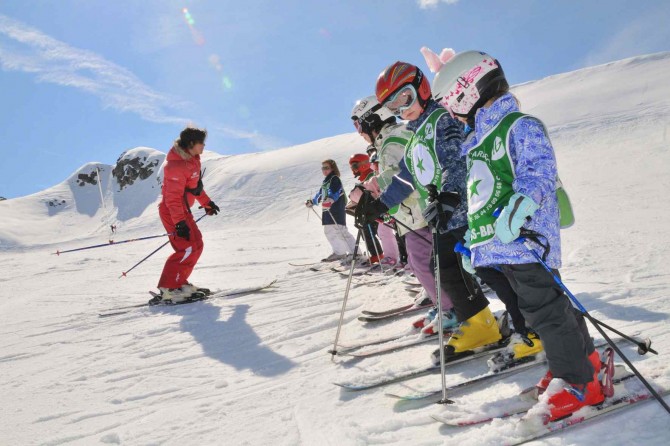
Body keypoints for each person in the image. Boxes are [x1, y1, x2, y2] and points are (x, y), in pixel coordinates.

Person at [432, 50, 602, 420]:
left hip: (527, 241)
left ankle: (580, 383)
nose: (450, 112)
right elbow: (480, 197)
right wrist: (472, 244)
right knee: (542, 309)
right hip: (500, 247)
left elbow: (538, 173)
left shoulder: (518, 125)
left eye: (450, 102)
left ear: (469, 91)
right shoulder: (477, 140)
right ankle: (583, 363)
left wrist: (519, 209)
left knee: (548, 311)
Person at [358, 62, 504, 357]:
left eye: (406, 98)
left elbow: (455, 160)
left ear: (422, 88)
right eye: (393, 106)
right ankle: (480, 324)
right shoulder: (416, 134)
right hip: (441, 216)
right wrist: (380, 204)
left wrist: (449, 195)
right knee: (446, 271)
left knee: (492, 270)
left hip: (463, 212)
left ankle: (532, 323)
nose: (403, 109)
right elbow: (406, 176)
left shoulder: (440, 120)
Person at [350, 95, 454, 334]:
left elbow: (402, 175)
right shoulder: (393, 138)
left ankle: (451, 309)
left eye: (359, 124)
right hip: (413, 213)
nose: (359, 132)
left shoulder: (393, 140)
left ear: (371, 119)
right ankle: (444, 306)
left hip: (417, 212)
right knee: (423, 263)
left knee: (422, 263)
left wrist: (369, 190)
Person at [157, 127, 219, 303]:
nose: (204, 146)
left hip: (183, 210)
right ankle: (169, 287)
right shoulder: (175, 166)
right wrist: (179, 223)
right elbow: (172, 198)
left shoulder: (193, 161)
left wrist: (207, 204)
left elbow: (195, 188)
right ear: (191, 144)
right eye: (201, 143)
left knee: (197, 245)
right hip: (173, 211)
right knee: (187, 248)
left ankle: (179, 282)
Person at [306, 159, 356, 261]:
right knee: (329, 231)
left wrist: (330, 199)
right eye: (323, 168)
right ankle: (340, 252)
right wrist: (313, 201)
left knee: (341, 231)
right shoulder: (326, 182)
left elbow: (335, 191)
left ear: (332, 168)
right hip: (327, 210)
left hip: (336, 209)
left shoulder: (334, 179)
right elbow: (320, 195)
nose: (324, 170)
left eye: (326, 168)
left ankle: (355, 254)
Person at [347, 153, 385, 265]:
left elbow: (369, 193)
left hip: (374, 208)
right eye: (352, 167)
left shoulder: (370, 176)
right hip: (368, 209)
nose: (353, 170)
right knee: (366, 231)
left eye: (354, 166)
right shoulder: (364, 177)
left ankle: (378, 255)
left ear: (363, 164)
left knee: (369, 231)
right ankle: (376, 255)